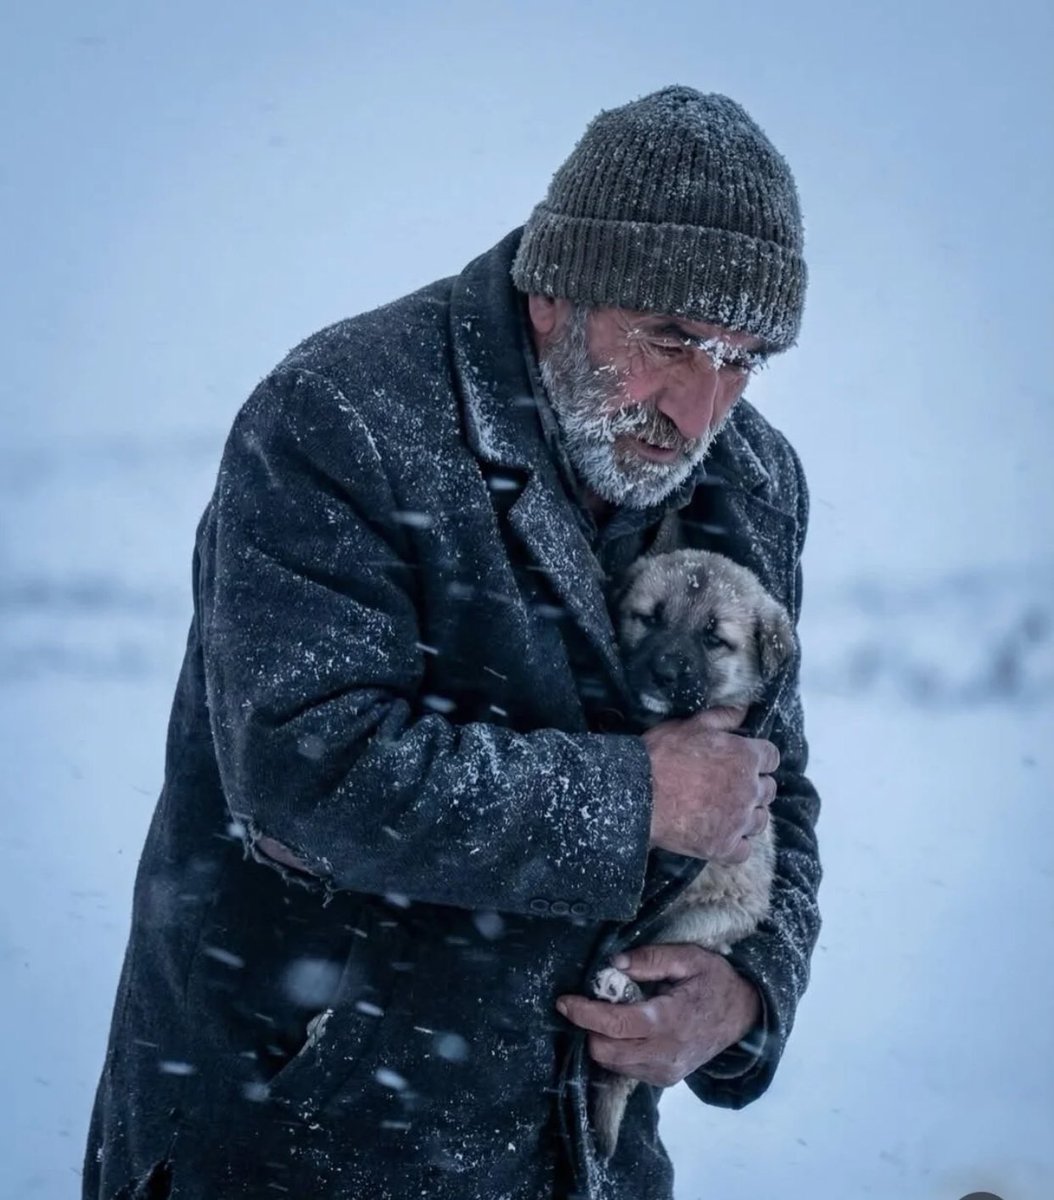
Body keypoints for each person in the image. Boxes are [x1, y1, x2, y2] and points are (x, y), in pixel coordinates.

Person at [84, 85, 821, 1200]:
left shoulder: (752, 481)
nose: (701, 406)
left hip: (586, 1155)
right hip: (300, 1135)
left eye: (743, 355)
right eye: (670, 338)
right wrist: (631, 800)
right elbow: (302, 768)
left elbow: (767, 785)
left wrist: (744, 994)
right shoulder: (342, 415)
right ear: (556, 291)